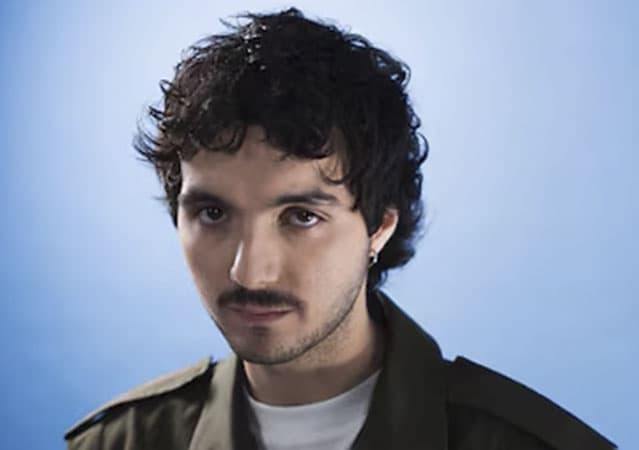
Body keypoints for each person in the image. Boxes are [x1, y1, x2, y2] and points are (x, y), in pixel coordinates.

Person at [64, 8, 616, 450]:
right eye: (212, 214)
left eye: (301, 217)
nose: (249, 271)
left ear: (379, 226)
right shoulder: (120, 443)